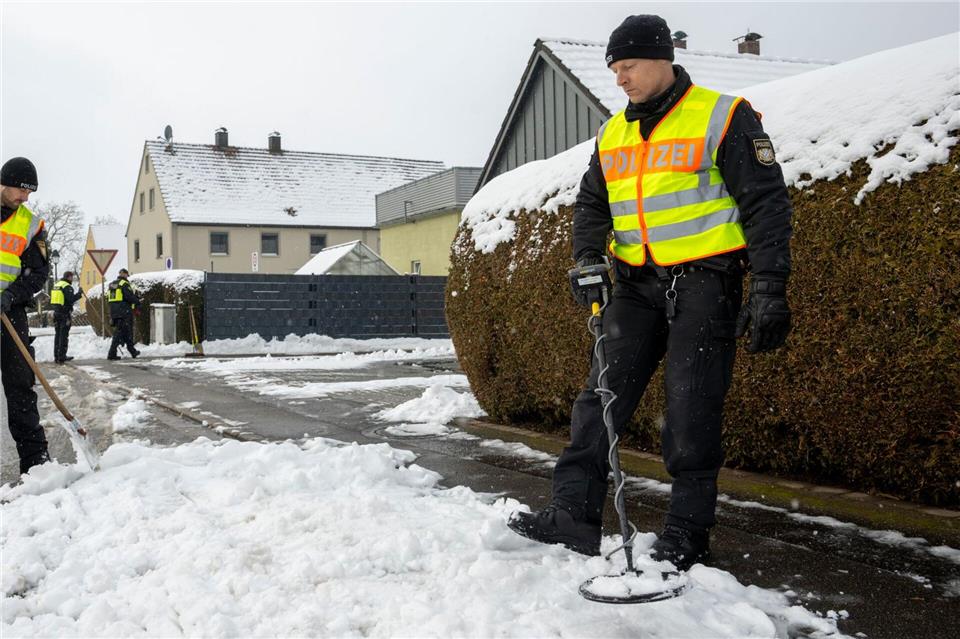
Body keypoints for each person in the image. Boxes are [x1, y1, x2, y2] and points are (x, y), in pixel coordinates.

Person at [508, 14, 793, 570]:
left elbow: (766, 204)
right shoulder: (613, 131)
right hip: (635, 287)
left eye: (629, 66)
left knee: (690, 409)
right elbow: (593, 203)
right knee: (600, 401)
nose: (621, 79)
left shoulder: (723, 116)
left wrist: (769, 286)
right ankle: (572, 515)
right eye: (615, 69)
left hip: (704, 284)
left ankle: (686, 532)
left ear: (662, 58)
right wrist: (588, 259)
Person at [0, 157, 51, 473]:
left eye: (29, 193)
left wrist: (11, 296)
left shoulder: (31, 225)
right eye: (21, 190)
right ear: (4, 183)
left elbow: (38, 273)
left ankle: (36, 464)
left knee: (21, 387)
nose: (25, 198)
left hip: (10, 313)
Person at [107, 268, 140, 360]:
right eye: (127, 275)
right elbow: (129, 296)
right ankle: (111, 353)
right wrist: (137, 301)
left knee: (126, 332)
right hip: (124, 311)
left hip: (114, 311)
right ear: (125, 274)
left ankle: (133, 351)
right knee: (119, 332)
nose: (127, 277)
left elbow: (109, 298)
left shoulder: (112, 284)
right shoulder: (124, 284)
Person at [51, 270, 83, 364]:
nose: (72, 279)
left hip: (56, 313)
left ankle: (57, 355)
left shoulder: (57, 285)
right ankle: (62, 356)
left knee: (58, 335)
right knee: (63, 335)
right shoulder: (66, 286)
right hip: (64, 314)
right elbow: (71, 299)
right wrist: (79, 294)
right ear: (69, 277)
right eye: (71, 277)